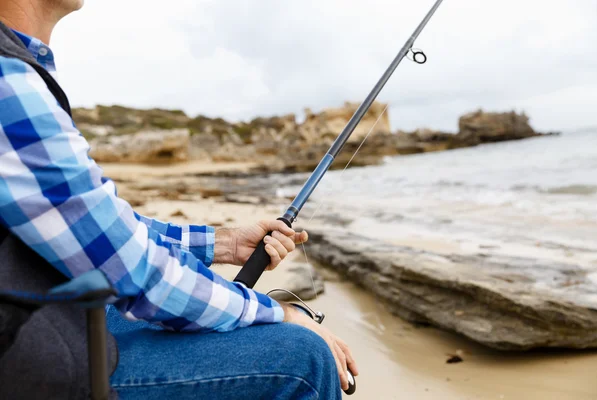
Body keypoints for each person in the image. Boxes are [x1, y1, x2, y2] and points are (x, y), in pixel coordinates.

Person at [0, 0, 358, 399]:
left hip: (52, 313)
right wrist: (280, 312)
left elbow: (99, 226)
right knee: (304, 356)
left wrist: (224, 243)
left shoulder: (19, 71)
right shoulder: (8, 81)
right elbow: (136, 272)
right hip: (29, 354)